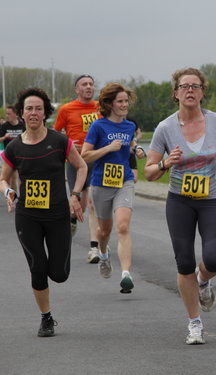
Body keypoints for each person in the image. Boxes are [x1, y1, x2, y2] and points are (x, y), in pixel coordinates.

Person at [144, 68, 216, 345]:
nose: (190, 91)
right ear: (175, 93)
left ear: (202, 92)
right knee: (184, 262)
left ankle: (204, 280)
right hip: (180, 201)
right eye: (184, 86)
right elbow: (149, 172)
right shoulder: (165, 128)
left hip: (213, 199)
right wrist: (165, 163)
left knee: (215, 258)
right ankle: (194, 322)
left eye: (195, 86)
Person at [0, 87, 87, 337]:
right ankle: (46, 318)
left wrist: (75, 195)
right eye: (29, 108)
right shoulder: (14, 148)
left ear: (45, 112)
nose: (34, 112)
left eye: (38, 108)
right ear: (22, 113)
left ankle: (66, 241)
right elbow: (3, 179)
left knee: (58, 274)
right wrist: (8, 193)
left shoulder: (59, 141)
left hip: (58, 213)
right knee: (37, 266)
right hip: (27, 215)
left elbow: (81, 167)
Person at [81, 82, 145, 293]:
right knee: (105, 230)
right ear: (109, 104)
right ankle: (104, 254)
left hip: (124, 181)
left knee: (123, 226)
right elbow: (85, 155)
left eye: (126, 101)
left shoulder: (128, 126)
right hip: (101, 183)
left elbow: (132, 143)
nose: (125, 105)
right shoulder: (98, 126)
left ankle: (126, 273)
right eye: (120, 101)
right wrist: (108, 148)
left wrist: (138, 149)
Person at [54, 74, 101, 264]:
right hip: (75, 162)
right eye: (84, 84)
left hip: (96, 160)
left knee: (92, 203)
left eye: (91, 84)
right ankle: (72, 218)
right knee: (79, 204)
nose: (88, 87)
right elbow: (57, 133)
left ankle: (94, 248)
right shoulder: (67, 109)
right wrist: (70, 144)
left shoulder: (101, 108)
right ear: (77, 89)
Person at [0, 105, 26, 190]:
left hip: (22, 154)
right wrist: (5, 137)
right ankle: (13, 199)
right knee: (13, 179)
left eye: (9, 114)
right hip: (9, 155)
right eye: (6, 114)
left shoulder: (22, 125)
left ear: (15, 114)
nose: (7, 116)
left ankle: (22, 197)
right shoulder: (4, 126)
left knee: (22, 178)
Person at [127, 118, 142, 183]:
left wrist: (134, 140)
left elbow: (139, 134)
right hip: (119, 150)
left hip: (131, 150)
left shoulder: (132, 121)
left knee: (134, 179)